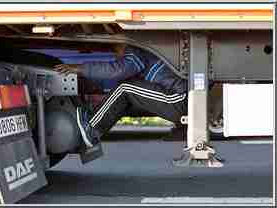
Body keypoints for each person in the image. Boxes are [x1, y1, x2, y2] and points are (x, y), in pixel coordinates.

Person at [54, 43, 188, 160]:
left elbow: (118, 70)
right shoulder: (141, 52)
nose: (117, 57)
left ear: (121, 45)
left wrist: (79, 69)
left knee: (125, 88)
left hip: (178, 98)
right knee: (125, 95)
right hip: (179, 99)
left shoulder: (135, 50)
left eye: (116, 53)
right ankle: (93, 126)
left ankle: (92, 129)